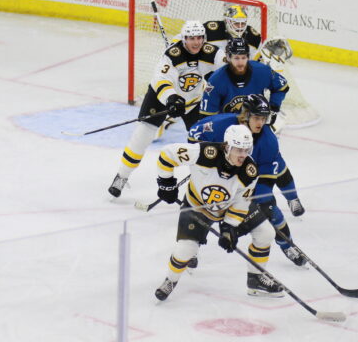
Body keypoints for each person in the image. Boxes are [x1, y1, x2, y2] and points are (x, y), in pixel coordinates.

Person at [153, 124, 284, 301]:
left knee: (266, 233)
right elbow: (167, 154)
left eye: (246, 150)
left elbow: (241, 202)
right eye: (238, 149)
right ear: (227, 146)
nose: (243, 155)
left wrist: (229, 227)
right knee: (185, 249)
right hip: (197, 206)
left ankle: (255, 279)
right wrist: (165, 183)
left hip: (229, 207)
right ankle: (171, 280)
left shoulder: (249, 171)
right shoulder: (204, 152)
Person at [108, 21, 225, 198]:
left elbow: (228, 72)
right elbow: (161, 80)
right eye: (191, 38)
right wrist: (170, 98)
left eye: (199, 38)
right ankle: (122, 176)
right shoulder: (172, 55)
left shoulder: (213, 53)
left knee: (203, 142)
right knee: (141, 138)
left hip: (193, 101)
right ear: (184, 39)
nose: (196, 42)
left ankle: (203, 183)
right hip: (160, 98)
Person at [189, 94, 307, 265]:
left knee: (272, 209)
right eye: (257, 118)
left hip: (245, 181)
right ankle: (191, 249)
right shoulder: (221, 124)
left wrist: (261, 202)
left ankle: (287, 245)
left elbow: (266, 179)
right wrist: (205, 160)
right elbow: (193, 135)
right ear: (245, 115)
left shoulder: (268, 141)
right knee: (203, 208)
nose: (260, 123)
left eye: (264, 118)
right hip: (218, 176)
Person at [200, 37, 289, 120]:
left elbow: (282, 87)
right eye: (236, 58)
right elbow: (207, 116)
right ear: (228, 58)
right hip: (227, 128)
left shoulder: (262, 70)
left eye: (243, 57)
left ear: (248, 57)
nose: (240, 62)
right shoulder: (216, 80)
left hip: (255, 124)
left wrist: (273, 108)